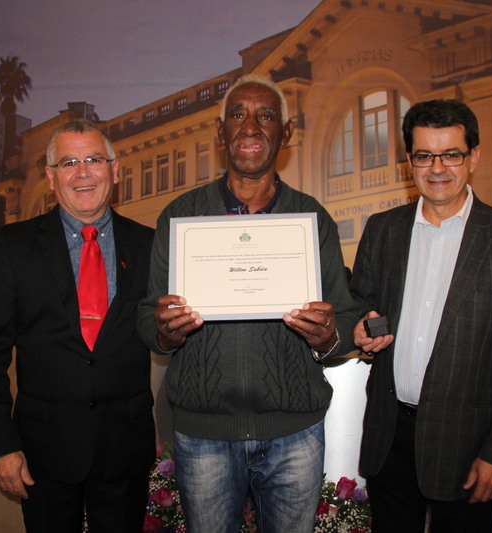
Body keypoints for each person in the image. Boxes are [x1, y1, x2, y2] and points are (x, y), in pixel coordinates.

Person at [137, 75, 360, 533]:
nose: (251, 126)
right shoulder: (180, 216)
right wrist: (165, 332)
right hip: (203, 435)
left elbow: (344, 318)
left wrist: (327, 337)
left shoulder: (312, 220)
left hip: (294, 435)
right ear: (221, 131)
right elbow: (147, 318)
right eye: (238, 114)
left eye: (266, 115)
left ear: (287, 132)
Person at [350, 99, 492, 532]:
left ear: (474, 157)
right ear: (410, 162)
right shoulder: (382, 229)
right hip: (389, 438)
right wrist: (360, 324)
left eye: (451, 154)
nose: (437, 168)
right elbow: (358, 300)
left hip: (466, 445)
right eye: (424, 155)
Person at [0, 119, 156, 533]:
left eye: (94, 160)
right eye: (69, 162)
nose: (83, 173)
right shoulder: (13, 246)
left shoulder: (150, 244)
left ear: (115, 170)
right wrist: (0, 446)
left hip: (124, 449)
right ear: (51, 177)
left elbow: (162, 331)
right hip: (42, 452)